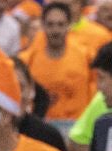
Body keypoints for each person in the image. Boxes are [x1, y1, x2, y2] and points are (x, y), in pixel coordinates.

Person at [28, 1, 93, 130]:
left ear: (69, 25)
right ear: (42, 26)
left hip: (76, 128)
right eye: (50, 24)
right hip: (42, 128)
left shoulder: (86, 56)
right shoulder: (28, 59)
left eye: (61, 24)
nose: (55, 30)